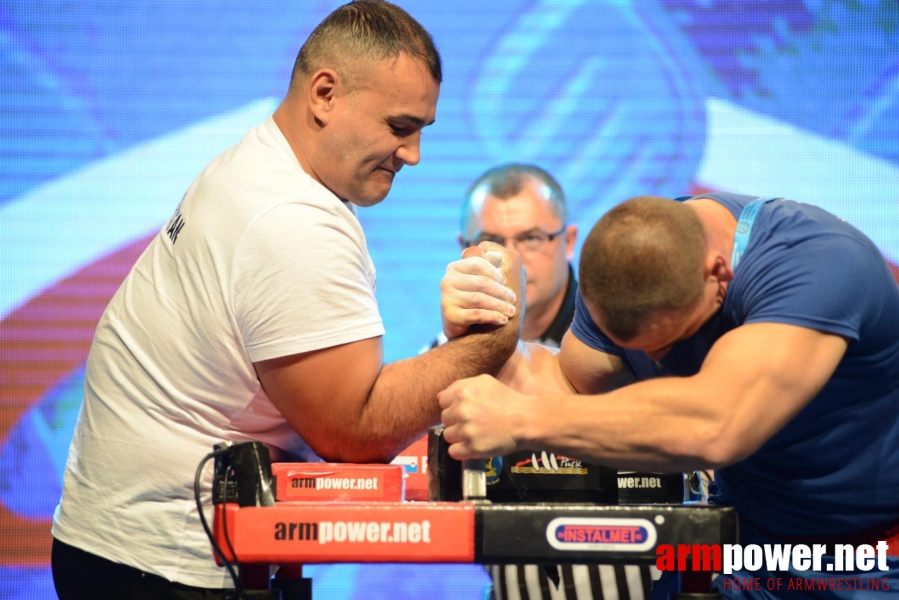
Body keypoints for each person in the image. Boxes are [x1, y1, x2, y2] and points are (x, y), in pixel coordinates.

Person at [50, 2, 523, 598]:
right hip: (164, 565)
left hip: (118, 547)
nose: (413, 154)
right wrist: (492, 338)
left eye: (422, 130)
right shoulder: (289, 218)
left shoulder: (255, 164)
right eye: (400, 127)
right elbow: (352, 431)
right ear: (324, 93)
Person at [438, 193, 899, 598]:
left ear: (719, 275)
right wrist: (485, 328)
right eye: (639, 353)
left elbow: (716, 425)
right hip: (747, 548)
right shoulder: (633, 265)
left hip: (872, 558)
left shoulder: (816, 267)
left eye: (673, 341)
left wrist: (521, 420)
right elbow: (566, 390)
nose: (659, 365)